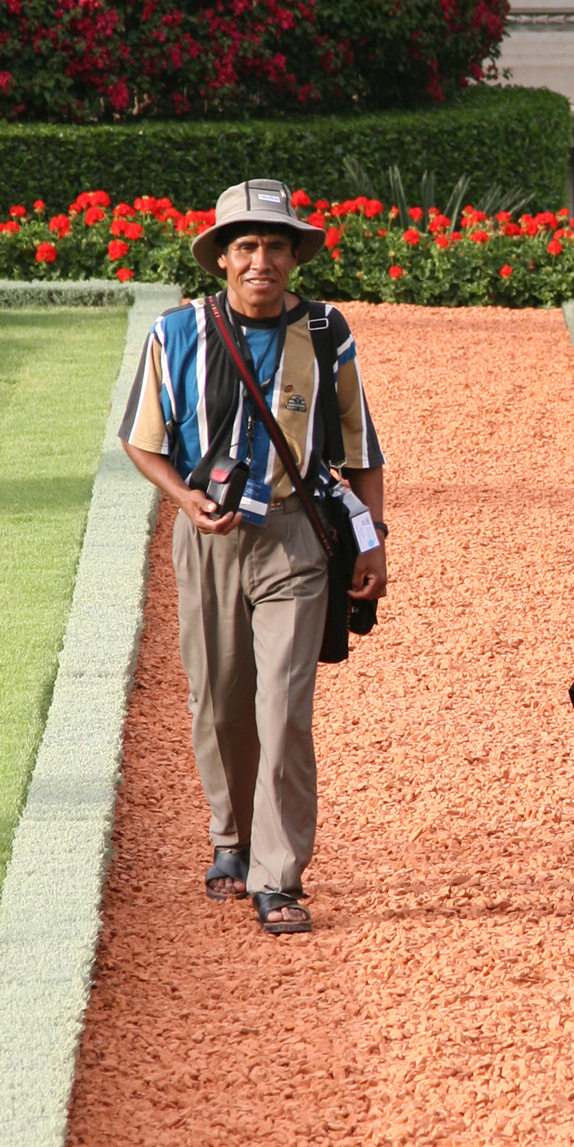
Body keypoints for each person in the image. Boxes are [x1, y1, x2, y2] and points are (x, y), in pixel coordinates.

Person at [119, 178, 386, 935]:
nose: (261, 259)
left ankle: (278, 875)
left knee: (283, 706)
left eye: (275, 245)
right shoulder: (174, 335)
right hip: (208, 541)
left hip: (297, 538)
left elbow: (362, 447)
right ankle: (230, 840)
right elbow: (142, 441)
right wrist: (183, 496)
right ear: (223, 259)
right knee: (220, 699)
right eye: (246, 246)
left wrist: (376, 543)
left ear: (294, 256)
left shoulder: (328, 333)